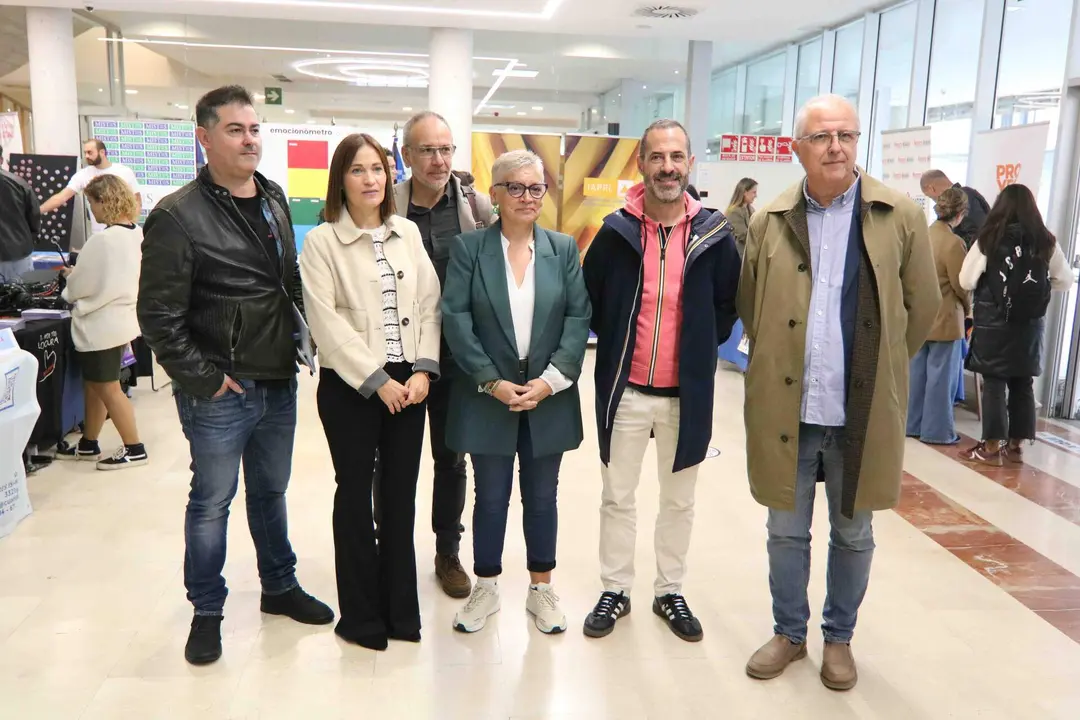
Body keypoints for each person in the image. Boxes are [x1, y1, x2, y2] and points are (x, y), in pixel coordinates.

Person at [738, 95, 938, 690]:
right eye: (822, 137)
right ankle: (788, 632)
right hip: (790, 409)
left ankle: (839, 638)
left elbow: (922, 307)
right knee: (785, 531)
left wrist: (884, 367)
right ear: (797, 148)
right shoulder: (770, 219)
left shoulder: (899, 215)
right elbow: (751, 305)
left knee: (853, 533)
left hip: (861, 411)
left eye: (846, 135)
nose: (835, 147)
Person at [138, 85, 333, 667]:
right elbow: (157, 316)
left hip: (276, 377)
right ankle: (207, 612)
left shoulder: (272, 196)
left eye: (254, 129)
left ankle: (280, 586)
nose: (249, 140)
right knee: (211, 502)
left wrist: (303, 339)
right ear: (204, 137)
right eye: (234, 130)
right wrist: (203, 378)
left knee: (270, 492)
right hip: (220, 389)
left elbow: (284, 280)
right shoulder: (176, 215)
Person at [581, 119, 740, 643]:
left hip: (685, 396)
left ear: (689, 164)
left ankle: (669, 590)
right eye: (657, 157)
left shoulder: (715, 235)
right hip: (625, 391)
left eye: (676, 157)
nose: (667, 167)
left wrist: (697, 347)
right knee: (617, 496)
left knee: (679, 500)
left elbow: (727, 304)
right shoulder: (616, 232)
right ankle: (616, 588)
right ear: (642, 164)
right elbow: (593, 301)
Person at [300, 133, 441, 651]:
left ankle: (401, 611)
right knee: (355, 495)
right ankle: (361, 617)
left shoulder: (407, 232)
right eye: (358, 170)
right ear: (340, 179)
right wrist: (377, 381)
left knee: (400, 499)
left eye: (378, 168)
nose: (370, 179)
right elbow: (325, 321)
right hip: (352, 385)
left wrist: (424, 370)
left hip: (411, 383)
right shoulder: (321, 242)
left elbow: (430, 305)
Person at [441, 149, 590, 635]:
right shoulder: (469, 249)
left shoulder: (562, 249)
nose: (528, 197)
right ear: (496, 194)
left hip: (549, 393)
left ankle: (541, 589)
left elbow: (578, 318)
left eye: (536, 188)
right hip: (488, 395)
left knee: (542, 496)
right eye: (517, 187)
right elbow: (456, 320)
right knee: (490, 496)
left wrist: (550, 381)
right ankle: (486, 586)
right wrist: (491, 381)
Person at [389, 110, 497, 600]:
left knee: (451, 460)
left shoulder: (477, 208)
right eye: (427, 150)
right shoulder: (386, 205)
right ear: (407, 155)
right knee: (393, 462)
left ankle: (447, 553)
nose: (438, 160)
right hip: (399, 358)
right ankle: (391, 551)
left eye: (446, 149)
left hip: (456, 360)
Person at [958, 183, 1075, 466]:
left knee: (994, 382)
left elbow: (966, 280)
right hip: (1029, 327)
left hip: (994, 325)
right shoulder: (1045, 241)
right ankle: (1015, 446)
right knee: (1023, 383)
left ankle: (990, 448)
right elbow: (1065, 280)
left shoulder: (989, 239)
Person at [55, 174, 147, 469]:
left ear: (104, 201)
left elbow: (81, 286)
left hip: (100, 326)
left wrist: (71, 278)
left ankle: (134, 448)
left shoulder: (102, 240)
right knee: (95, 384)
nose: (92, 210)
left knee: (108, 388)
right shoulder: (137, 234)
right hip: (121, 321)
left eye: (92, 203)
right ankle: (89, 442)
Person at [907, 188, 972, 446]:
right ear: (961, 213)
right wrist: (968, 308)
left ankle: (911, 424)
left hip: (918, 316)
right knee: (941, 380)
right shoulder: (954, 243)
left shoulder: (920, 236)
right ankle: (936, 432)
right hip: (946, 318)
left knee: (916, 377)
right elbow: (961, 285)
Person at [40, 139, 142, 237]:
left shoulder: (124, 171)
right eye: (85, 153)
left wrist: (130, 224)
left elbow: (136, 200)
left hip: (123, 231)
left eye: (90, 152)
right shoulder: (83, 175)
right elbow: (61, 197)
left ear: (102, 152)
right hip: (98, 232)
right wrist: (37, 211)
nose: (86, 156)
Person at [0, 144, 41, 282]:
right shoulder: (19, 183)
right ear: (1, 160)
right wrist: (30, 238)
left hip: (17, 253)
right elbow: (34, 216)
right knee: (23, 293)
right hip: (19, 253)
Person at [920, 169, 990, 248]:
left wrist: (952, 246)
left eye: (930, 196)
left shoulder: (964, 197)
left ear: (931, 188)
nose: (935, 201)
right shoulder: (964, 197)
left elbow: (976, 233)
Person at [726, 177, 758, 257]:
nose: (756, 196)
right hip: (737, 256)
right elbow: (744, 236)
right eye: (754, 192)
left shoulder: (751, 210)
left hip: (747, 255)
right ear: (745, 192)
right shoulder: (734, 212)